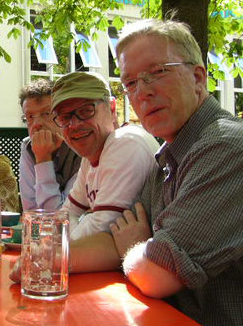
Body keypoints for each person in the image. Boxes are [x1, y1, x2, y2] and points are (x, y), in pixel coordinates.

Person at [110, 19, 243, 326]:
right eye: (130, 82)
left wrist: (135, 247)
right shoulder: (167, 157)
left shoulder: (228, 146)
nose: (143, 92)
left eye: (157, 72)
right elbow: (114, 235)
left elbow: (155, 275)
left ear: (198, 77)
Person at [10, 71, 159, 281]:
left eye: (86, 111)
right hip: (121, 276)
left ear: (112, 108)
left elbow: (101, 228)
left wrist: (48, 255)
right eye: (64, 117)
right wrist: (82, 222)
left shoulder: (126, 142)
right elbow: (61, 216)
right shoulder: (91, 155)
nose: (75, 124)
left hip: (154, 287)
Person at [18, 79, 81, 211]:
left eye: (46, 113)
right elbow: (31, 210)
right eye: (30, 116)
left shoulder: (81, 146)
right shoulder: (28, 147)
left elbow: (60, 215)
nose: (36, 123)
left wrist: (43, 159)